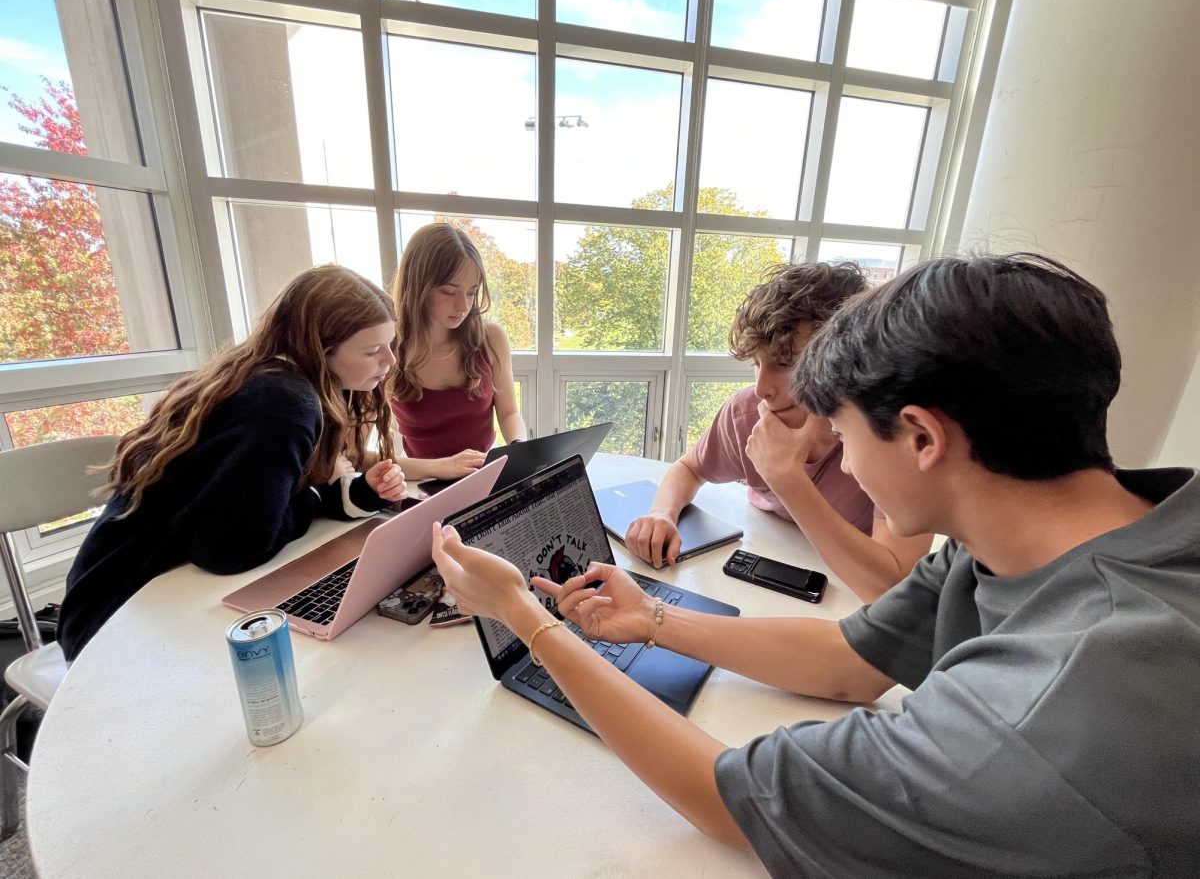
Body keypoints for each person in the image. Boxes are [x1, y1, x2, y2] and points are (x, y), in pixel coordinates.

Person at [431, 252, 1200, 876]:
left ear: (923, 438)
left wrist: (527, 621)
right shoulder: (1017, 539)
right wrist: (653, 620)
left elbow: (729, 799)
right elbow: (851, 660)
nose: (841, 454)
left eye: (841, 424)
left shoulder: (1041, 718)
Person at [58, 265, 406, 660]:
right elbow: (232, 549)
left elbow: (257, 496)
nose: (390, 360)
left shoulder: (268, 375)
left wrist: (355, 493)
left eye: (390, 344)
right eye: (372, 350)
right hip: (113, 622)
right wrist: (311, 500)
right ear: (320, 349)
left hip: (145, 595)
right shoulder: (284, 403)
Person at [625, 262, 932, 602]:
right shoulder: (746, 414)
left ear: (846, 359)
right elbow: (690, 467)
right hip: (764, 557)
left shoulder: (890, 438)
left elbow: (893, 589)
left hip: (847, 587)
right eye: (756, 363)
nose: (761, 388)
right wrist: (662, 513)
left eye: (785, 364)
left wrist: (787, 480)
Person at [389, 222, 526, 480]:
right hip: (422, 485)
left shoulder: (490, 338)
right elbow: (367, 457)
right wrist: (440, 468)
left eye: (472, 293)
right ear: (419, 287)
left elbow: (509, 413)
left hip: (482, 477)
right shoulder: (389, 348)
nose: (463, 306)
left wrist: (519, 448)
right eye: (449, 292)